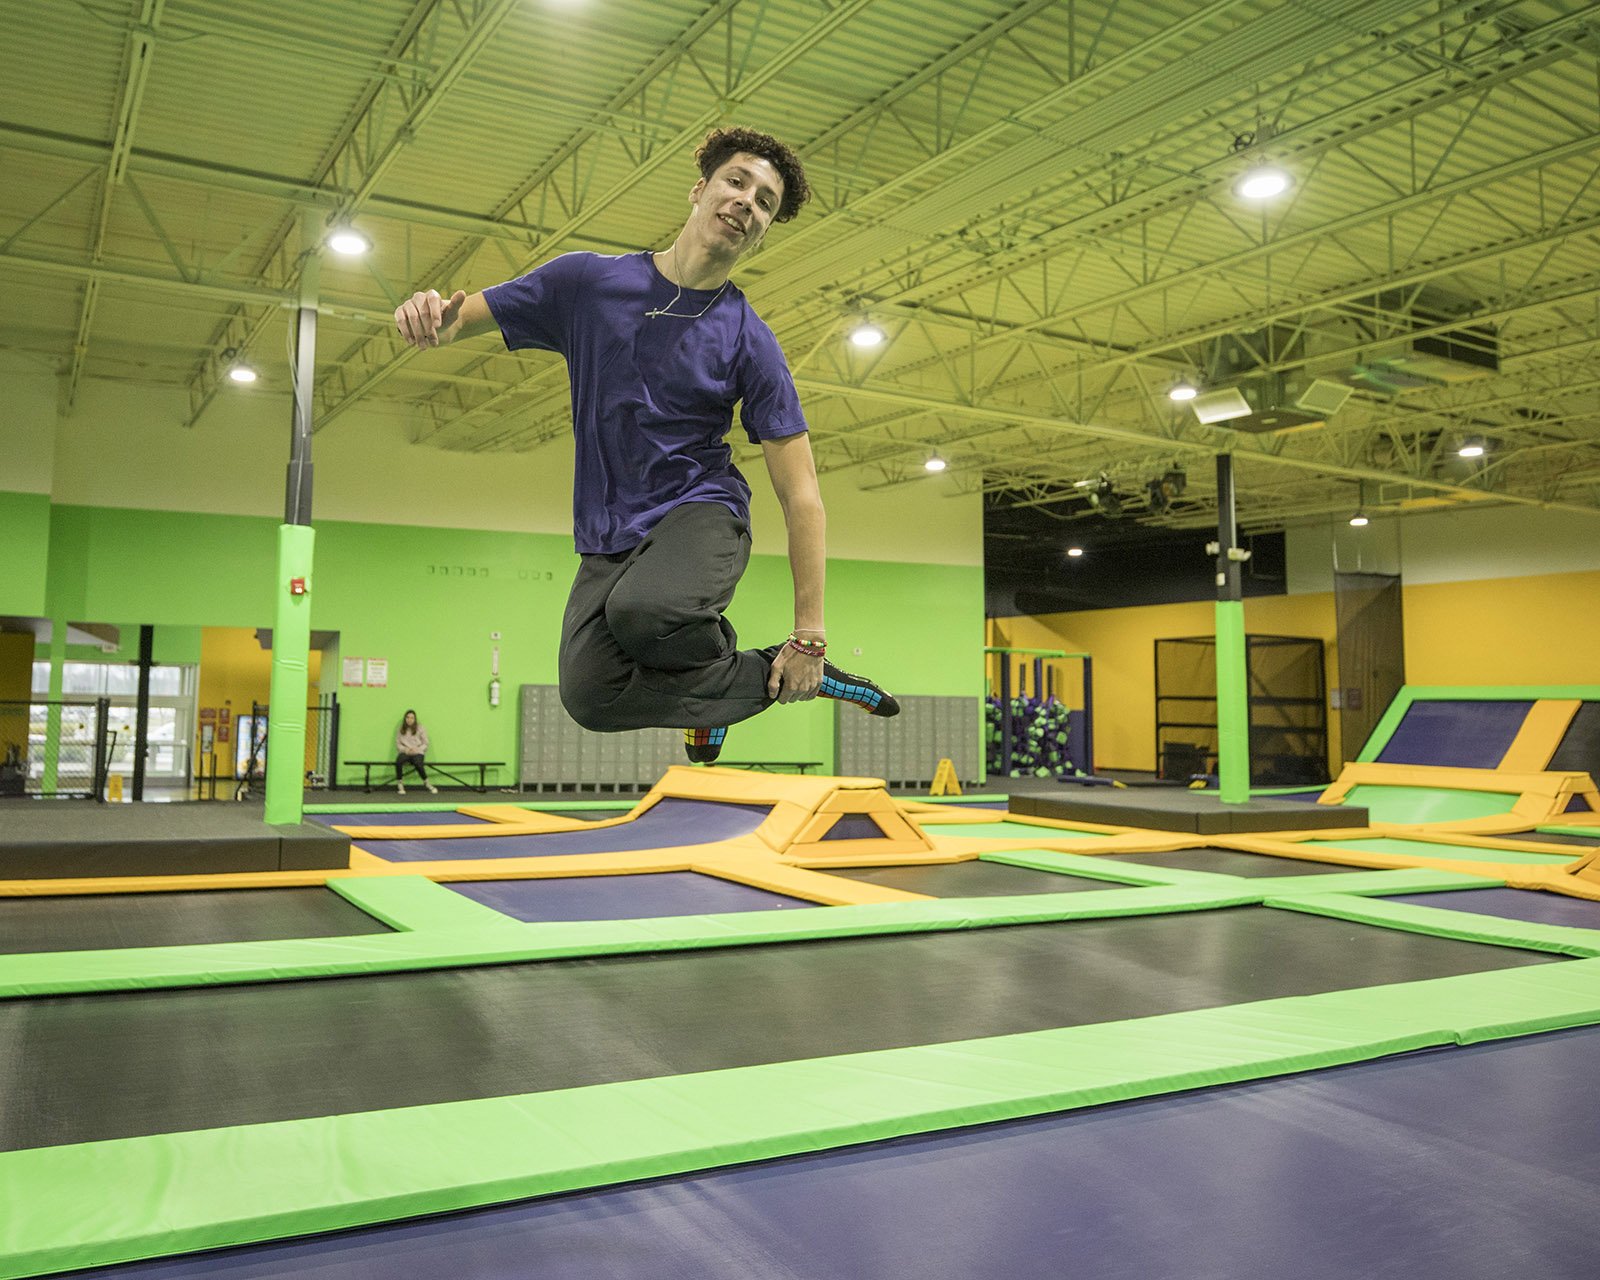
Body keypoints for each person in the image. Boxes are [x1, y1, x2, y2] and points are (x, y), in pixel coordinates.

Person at [394, 126, 897, 764]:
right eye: (737, 182)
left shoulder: (749, 338)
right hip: (611, 528)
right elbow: (459, 318)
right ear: (700, 190)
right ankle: (724, 687)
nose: (748, 202)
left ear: (764, 229)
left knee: (645, 609)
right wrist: (431, 316)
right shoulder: (587, 283)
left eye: (765, 202)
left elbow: (802, 496)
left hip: (701, 510)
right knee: (589, 695)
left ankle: (756, 671)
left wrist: (811, 635)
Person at [394, 709, 437, 795]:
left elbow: (425, 743)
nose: (409, 719)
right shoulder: (400, 729)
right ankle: (400, 783)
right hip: (405, 752)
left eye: (412, 718)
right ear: (405, 719)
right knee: (398, 761)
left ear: (415, 719)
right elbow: (398, 744)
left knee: (418, 763)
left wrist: (417, 750)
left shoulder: (421, 728)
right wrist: (406, 750)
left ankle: (427, 783)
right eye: (408, 717)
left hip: (417, 752)